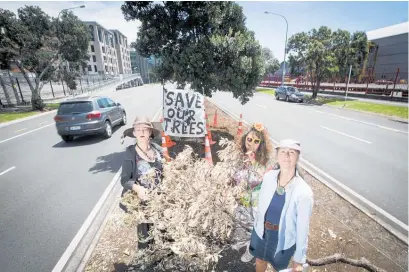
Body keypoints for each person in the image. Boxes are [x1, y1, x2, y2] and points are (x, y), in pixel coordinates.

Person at [249, 139, 313, 272]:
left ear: (297, 157)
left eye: (291, 152)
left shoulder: (303, 192)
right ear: (277, 155)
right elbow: (261, 204)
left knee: (279, 268)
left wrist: (299, 259)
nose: (287, 156)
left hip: (283, 239)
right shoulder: (269, 178)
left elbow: (303, 228)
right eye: (283, 152)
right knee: (260, 260)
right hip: (261, 231)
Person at [230, 123, 274, 263]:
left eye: (256, 141)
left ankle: (251, 250)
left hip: (255, 203)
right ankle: (240, 242)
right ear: (244, 140)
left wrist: (253, 161)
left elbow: (261, 178)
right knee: (238, 222)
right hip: (240, 200)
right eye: (249, 140)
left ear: (261, 144)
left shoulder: (264, 160)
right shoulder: (237, 156)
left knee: (253, 229)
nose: (252, 144)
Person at [120, 116, 164, 249]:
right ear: (134, 133)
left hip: (160, 199)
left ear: (150, 132)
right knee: (145, 237)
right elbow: (125, 180)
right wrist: (138, 189)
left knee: (163, 232)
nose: (142, 132)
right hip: (142, 203)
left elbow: (166, 170)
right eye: (138, 129)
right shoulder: (130, 152)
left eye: (145, 129)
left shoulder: (157, 149)